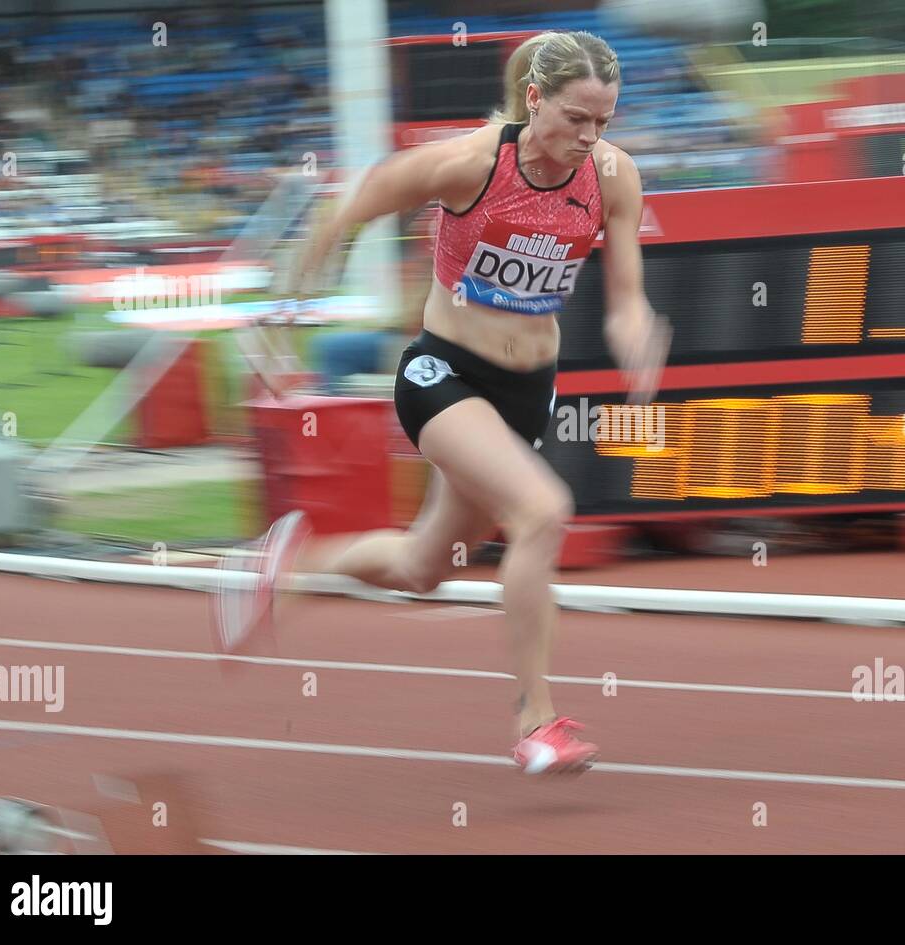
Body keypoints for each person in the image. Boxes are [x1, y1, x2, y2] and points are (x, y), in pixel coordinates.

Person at [214, 30, 670, 776]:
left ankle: (288, 562)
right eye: (576, 119)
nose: (589, 138)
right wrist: (304, 272)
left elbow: (625, 296)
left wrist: (636, 328)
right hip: (443, 376)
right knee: (543, 510)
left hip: (526, 394)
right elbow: (366, 194)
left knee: (423, 567)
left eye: (604, 123)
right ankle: (537, 720)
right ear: (534, 99)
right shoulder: (471, 163)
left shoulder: (614, 177)